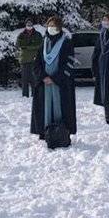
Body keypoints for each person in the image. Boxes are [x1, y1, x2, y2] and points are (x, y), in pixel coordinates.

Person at [30, 15, 77, 145]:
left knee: (60, 108)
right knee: (44, 108)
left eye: (54, 26)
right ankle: (44, 131)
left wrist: (55, 78)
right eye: (49, 25)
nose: (51, 28)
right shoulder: (43, 43)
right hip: (44, 83)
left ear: (59, 28)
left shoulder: (66, 43)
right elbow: (37, 64)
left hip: (60, 83)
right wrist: (43, 76)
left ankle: (61, 132)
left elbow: (69, 64)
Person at [16, 22, 42, 98]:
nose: (29, 27)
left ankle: (35, 94)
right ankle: (25, 95)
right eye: (28, 25)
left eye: (30, 25)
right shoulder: (21, 35)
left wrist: (27, 47)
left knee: (34, 78)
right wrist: (32, 46)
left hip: (35, 59)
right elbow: (18, 45)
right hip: (24, 59)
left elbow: (40, 45)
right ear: (26, 26)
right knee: (24, 79)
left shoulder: (38, 35)